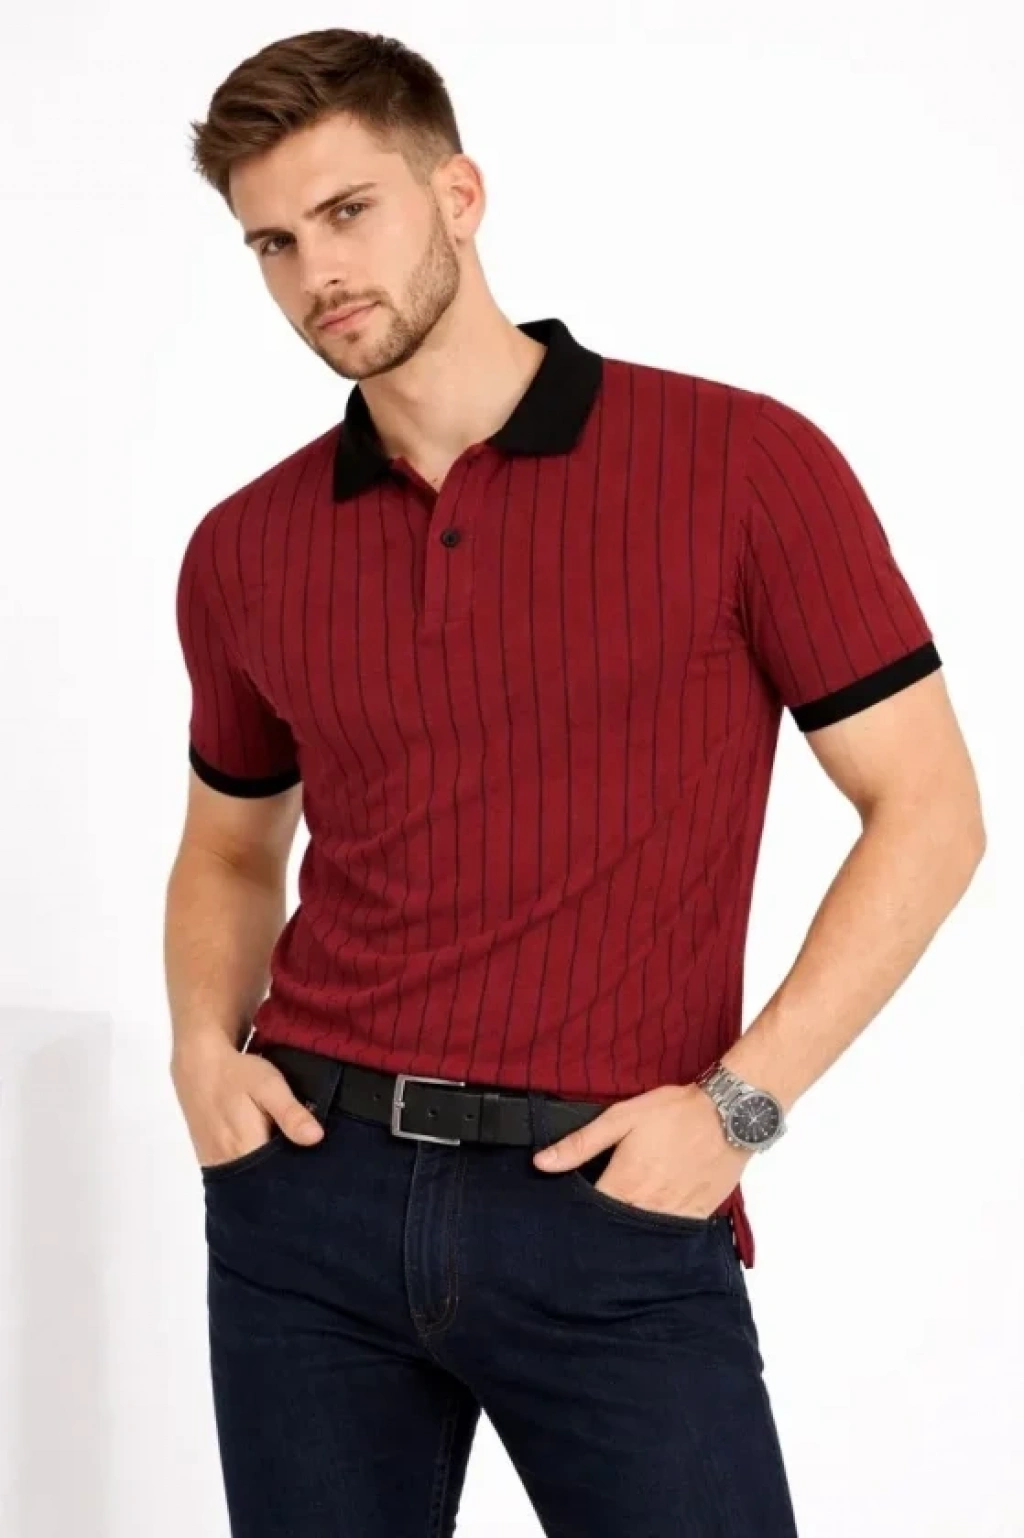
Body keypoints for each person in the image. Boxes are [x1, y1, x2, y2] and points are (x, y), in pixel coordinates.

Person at [165, 27, 985, 1538]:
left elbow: (930, 810)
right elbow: (228, 846)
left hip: (608, 1201)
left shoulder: (741, 464)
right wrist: (202, 1055)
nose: (316, 272)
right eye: (272, 243)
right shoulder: (244, 546)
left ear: (458, 194)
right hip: (307, 1207)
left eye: (348, 212)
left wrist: (740, 1109)